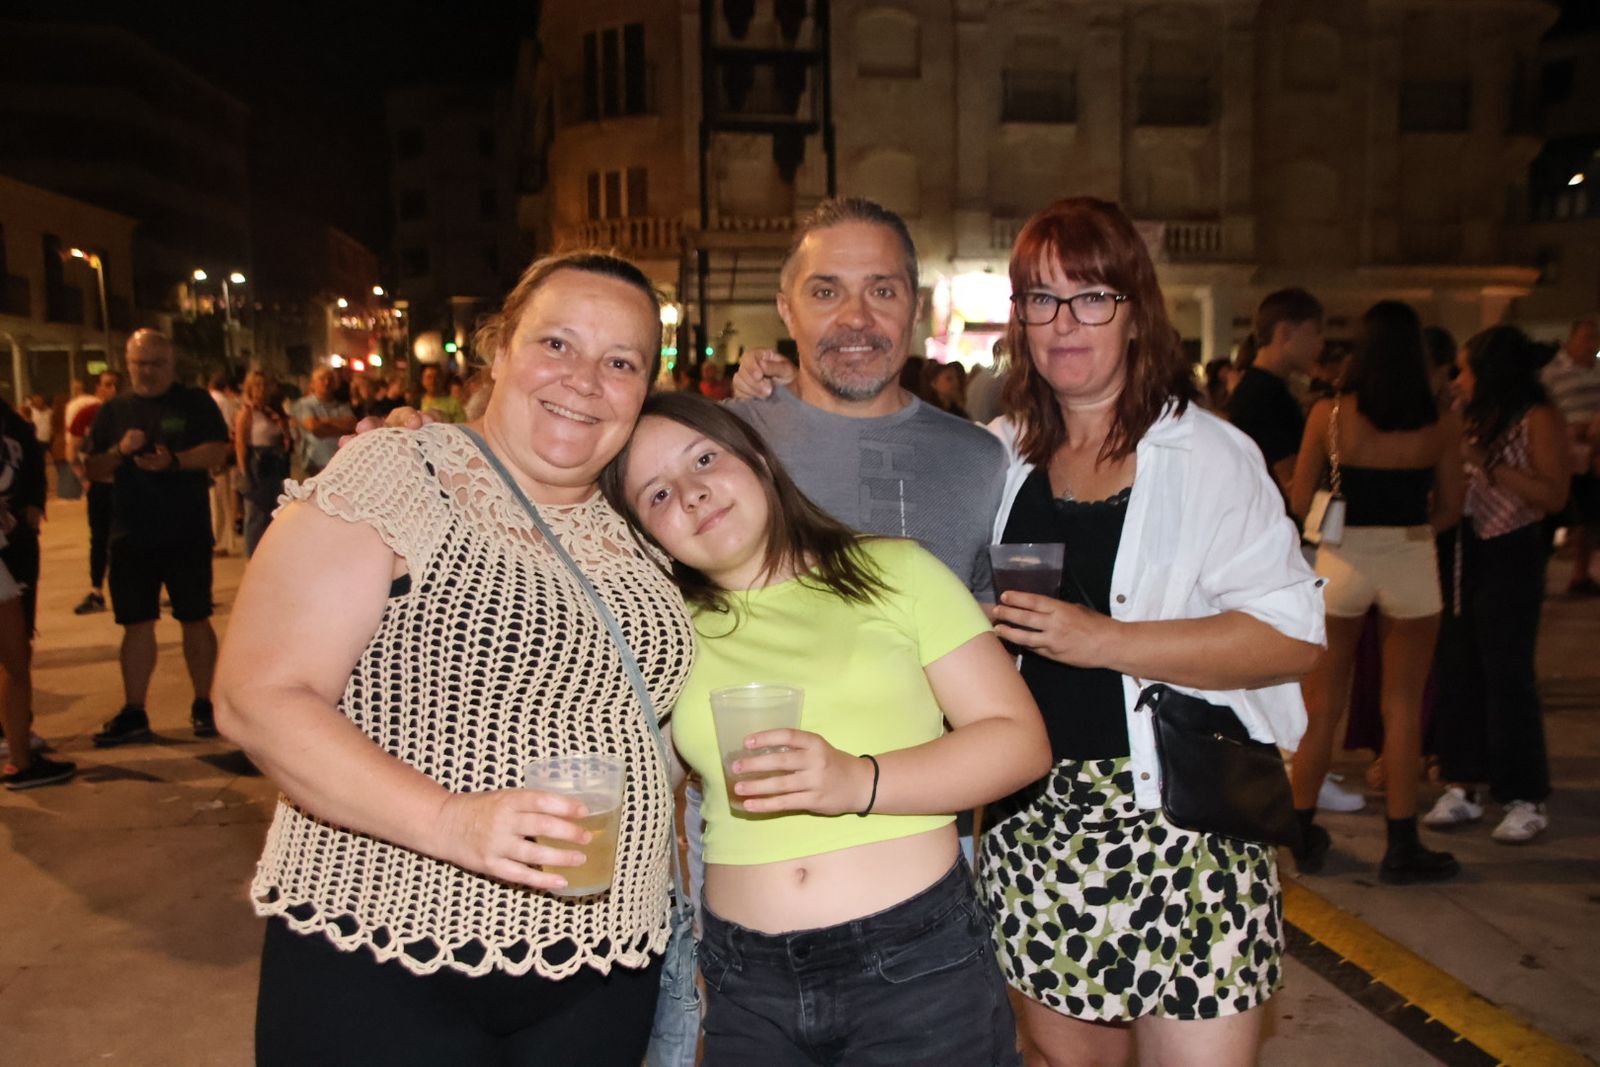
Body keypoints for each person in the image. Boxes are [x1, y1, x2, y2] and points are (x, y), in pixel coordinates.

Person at [213, 251, 696, 1065]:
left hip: (603, 964)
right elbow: (258, 697)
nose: (585, 379)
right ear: (499, 350)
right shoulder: (402, 469)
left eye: (622, 362)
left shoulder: (644, 520)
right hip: (387, 947)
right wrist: (451, 821)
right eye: (557, 344)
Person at [602, 391, 1047, 1065]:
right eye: (658, 494)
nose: (691, 494)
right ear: (642, 531)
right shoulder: (663, 629)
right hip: (745, 981)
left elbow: (1019, 741)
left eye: (704, 458)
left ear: (756, 456)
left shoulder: (895, 571)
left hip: (914, 964)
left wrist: (855, 779)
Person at [981, 197, 1324, 1067]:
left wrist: (1106, 641)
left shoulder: (1207, 454)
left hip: (1188, 824)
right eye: (1040, 298)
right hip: (1039, 824)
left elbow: (1291, 635)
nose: (1064, 323)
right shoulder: (1000, 455)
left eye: (1091, 297)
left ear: (1136, 311)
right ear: (1018, 317)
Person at [1286, 301, 1465, 883]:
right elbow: (1452, 508)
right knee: (1404, 705)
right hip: (1411, 560)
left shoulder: (1330, 415)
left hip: (1342, 561)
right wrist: (1411, 534)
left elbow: (1298, 499)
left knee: (1323, 704)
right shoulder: (1441, 420)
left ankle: (1301, 827)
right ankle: (1402, 843)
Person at [1425, 326, 1568, 844]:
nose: (1460, 378)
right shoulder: (1472, 416)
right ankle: (1462, 782)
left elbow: (1553, 494)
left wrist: (1489, 466)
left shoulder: (1537, 418)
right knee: (1458, 665)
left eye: (1467, 368)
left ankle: (1524, 794)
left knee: (1507, 671)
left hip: (1513, 547)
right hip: (1465, 545)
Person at [85, 330, 232, 745]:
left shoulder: (194, 402)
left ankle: (205, 704)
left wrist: (174, 461)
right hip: (131, 534)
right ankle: (135, 711)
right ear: (127, 364)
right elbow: (92, 469)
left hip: (185, 531)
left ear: (171, 364)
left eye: (156, 363)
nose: (147, 371)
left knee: (195, 616)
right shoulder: (113, 411)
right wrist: (119, 450)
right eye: (139, 363)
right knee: (135, 623)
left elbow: (219, 452)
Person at [1226, 288, 1324, 499]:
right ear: (1285, 332)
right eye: (1316, 331)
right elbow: (1290, 480)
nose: (1320, 343)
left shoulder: (1256, 388)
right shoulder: (1266, 396)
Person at [1539, 317, 1600, 593]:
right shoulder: (1551, 372)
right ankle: (1539, 573)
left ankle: (1580, 574)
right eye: (1588, 337)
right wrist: (1568, 429)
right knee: (1557, 508)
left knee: (1590, 513)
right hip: (1565, 451)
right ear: (1572, 338)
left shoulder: (1598, 369)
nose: (1593, 343)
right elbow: (1544, 408)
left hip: (1594, 451)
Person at [68, 371, 121, 615]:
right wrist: (84, 480)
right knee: (99, 539)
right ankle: (96, 590)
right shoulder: (87, 415)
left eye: (116, 385)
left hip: (128, 488)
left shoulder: (132, 412)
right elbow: (73, 450)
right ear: (98, 388)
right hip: (101, 486)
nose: (112, 390)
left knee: (130, 539)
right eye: (108, 385)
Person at [234, 372, 292, 557]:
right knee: (256, 513)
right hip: (257, 463)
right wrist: (245, 472)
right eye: (257, 386)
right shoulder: (247, 411)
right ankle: (253, 556)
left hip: (275, 463)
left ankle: (272, 553)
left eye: (265, 385)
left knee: (275, 510)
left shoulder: (274, 411)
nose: (261, 390)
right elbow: (241, 443)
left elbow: (285, 435)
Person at [292, 367, 357, 478]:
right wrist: (340, 427)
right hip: (315, 462)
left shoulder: (341, 406)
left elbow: (352, 425)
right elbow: (314, 428)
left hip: (339, 462)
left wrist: (324, 421)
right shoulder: (304, 404)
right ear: (313, 383)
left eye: (330, 379)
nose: (326, 382)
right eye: (322, 379)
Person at [209, 371, 243, 557]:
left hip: (214, 455)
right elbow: (232, 426)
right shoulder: (225, 402)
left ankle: (218, 540)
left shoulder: (210, 401)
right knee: (224, 499)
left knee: (217, 500)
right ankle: (222, 540)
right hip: (223, 454)